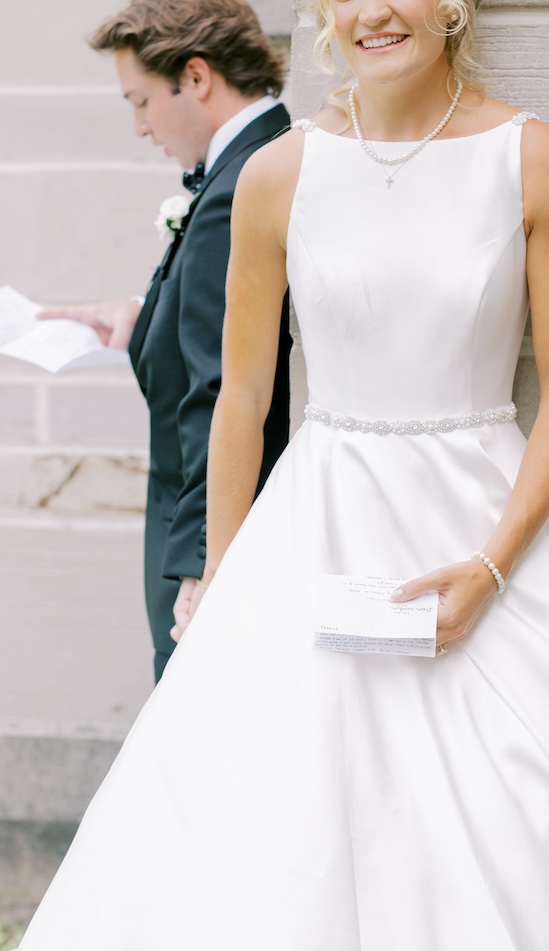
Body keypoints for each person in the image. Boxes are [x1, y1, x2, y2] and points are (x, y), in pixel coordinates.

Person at [20, 0, 549, 947]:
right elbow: (240, 401)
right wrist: (227, 587)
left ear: (455, 5)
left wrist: (489, 569)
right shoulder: (283, 172)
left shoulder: (535, 159)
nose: (374, 13)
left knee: (525, 805)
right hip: (316, 517)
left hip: (481, 523)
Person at [39, 0, 292, 681]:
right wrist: (144, 318)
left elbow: (224, 393)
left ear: (198, 77)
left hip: (207, 540)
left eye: (142, 100)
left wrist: (198, 566)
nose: (141, 125)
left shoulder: (243, 184)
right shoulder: (248, 163)